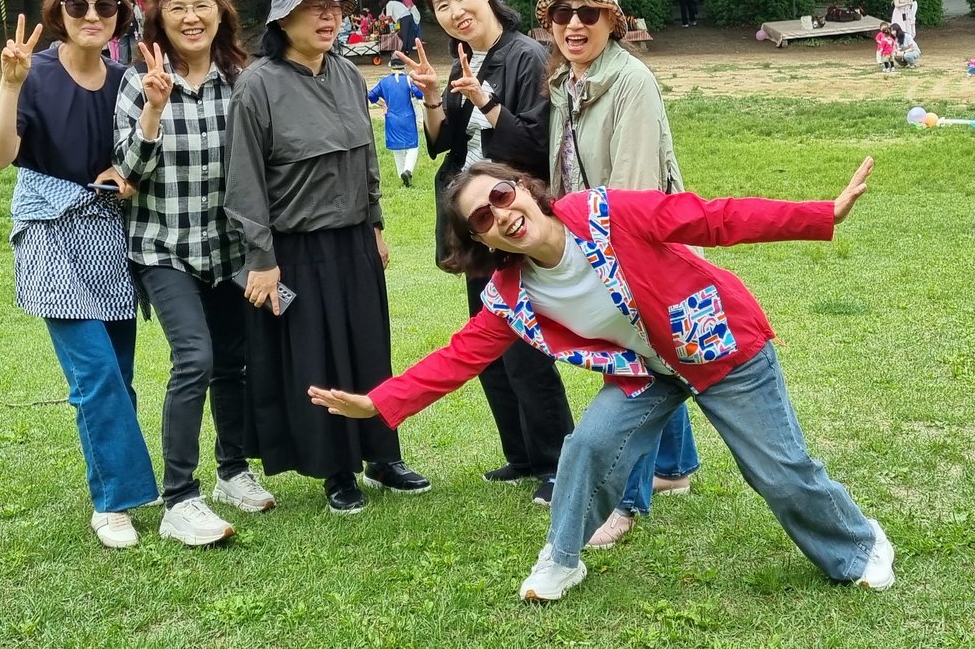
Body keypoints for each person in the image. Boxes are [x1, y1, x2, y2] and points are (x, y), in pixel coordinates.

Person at [307, 159, 896, 601]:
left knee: (777, 471)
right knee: (587, 445)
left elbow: (710, 218)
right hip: (647, 371)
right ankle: (562, 559)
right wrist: (378, 404)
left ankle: (858, 543)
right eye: (482, 218)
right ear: (481, 240)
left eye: (501, 196)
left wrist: (821, 214)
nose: (501, 215)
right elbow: (457, 358)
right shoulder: (511, 297)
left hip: (720, 345)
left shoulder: (604, 213)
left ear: (525, 190)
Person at [224, 0, 430, 515]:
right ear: (282, 17)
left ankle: (382, 456)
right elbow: (244, 183)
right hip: (295, 248)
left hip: (355, 239)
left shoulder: (346, 74)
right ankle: (336, 470)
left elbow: (365, 157)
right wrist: (262, 258)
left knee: (369, 349)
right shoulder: (256, 87)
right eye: (313, 7)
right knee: (317, 358)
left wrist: (375, 223)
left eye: (334, 7)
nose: (328, 17)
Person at [0, 0, 152, 549]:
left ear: (121, 13)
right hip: (49, 233)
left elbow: (140, 160)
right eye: (77, 5)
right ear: (59, 11)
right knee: (96, 373)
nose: (91, 16)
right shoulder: (37, 73)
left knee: (119, 375)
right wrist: (10, 84)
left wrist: (127, 178)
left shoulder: (128, 80)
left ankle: (116, 481)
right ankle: (114, 502)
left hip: (108, 235)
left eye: (105, 5)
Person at [538, 0, 703, 547]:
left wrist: (611, 264)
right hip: (591, 239)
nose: (574, 24)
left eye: (589, 13)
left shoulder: (632, 82)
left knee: (632, 368)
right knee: (657, 356)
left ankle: (624, 503)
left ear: (613, 21)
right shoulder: (566, 82)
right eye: (563, 12)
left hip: (630, 244)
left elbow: (633, 190)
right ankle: (675, 468)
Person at [395, 0, 572, 506]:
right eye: (441, 6)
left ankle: (557, 462)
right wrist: (433, 94)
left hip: (512, 215)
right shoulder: (463, 60)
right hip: (476, 225)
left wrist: (484, 100)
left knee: (523, 347)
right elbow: (441, 144)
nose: (454, 12)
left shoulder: (526, 55)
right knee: (486, 343)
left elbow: (536, 145)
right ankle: (520, 454)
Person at [112, 0, 275, 547]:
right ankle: (179, 496)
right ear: (158, 16)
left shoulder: (242, 81)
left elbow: (263, 163)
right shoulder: (138, 83)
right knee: (195, 359)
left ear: (220, 13)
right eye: (177, 7)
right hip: (163, 247)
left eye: (201, 5)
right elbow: (128, 176)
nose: (190, 17)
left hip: (227, 249)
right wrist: (154, 110)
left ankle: (232, 470)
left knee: (234, 362)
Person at [370, 57, 424, 188]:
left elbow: (371, 95)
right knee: (412, 146)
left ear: (391, 67)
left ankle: (401, 174)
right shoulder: (408, 80)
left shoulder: (384, 82)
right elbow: (419, 94)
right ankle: (408, 170)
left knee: (397, 148)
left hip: (391, 118)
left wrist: (383, 104)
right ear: (403, 66)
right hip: (407, 118)